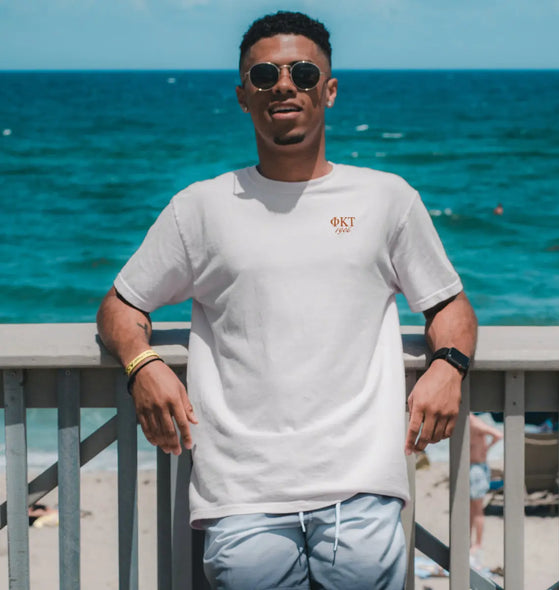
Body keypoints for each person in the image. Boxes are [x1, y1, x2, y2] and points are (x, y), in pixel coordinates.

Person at [96, 11, 478, 589]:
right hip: (241, 494)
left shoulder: (387, 199)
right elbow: (121, 306)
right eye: (264, 75)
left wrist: (448, 367)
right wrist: (142, 365)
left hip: (362, 487)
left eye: (302, 73)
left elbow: (449, 306)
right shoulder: (199, 208)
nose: (283, 85)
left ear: (329, 90)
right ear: (243, 96)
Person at [469, 413, 503, 568]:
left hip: (477, 468)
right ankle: (470, 543)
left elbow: (498, 434)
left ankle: (478, 544)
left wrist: (487, 448)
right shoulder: (470, 421)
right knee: (471, 509)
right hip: (473, 467)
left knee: (477, 510)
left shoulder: (474, 423)